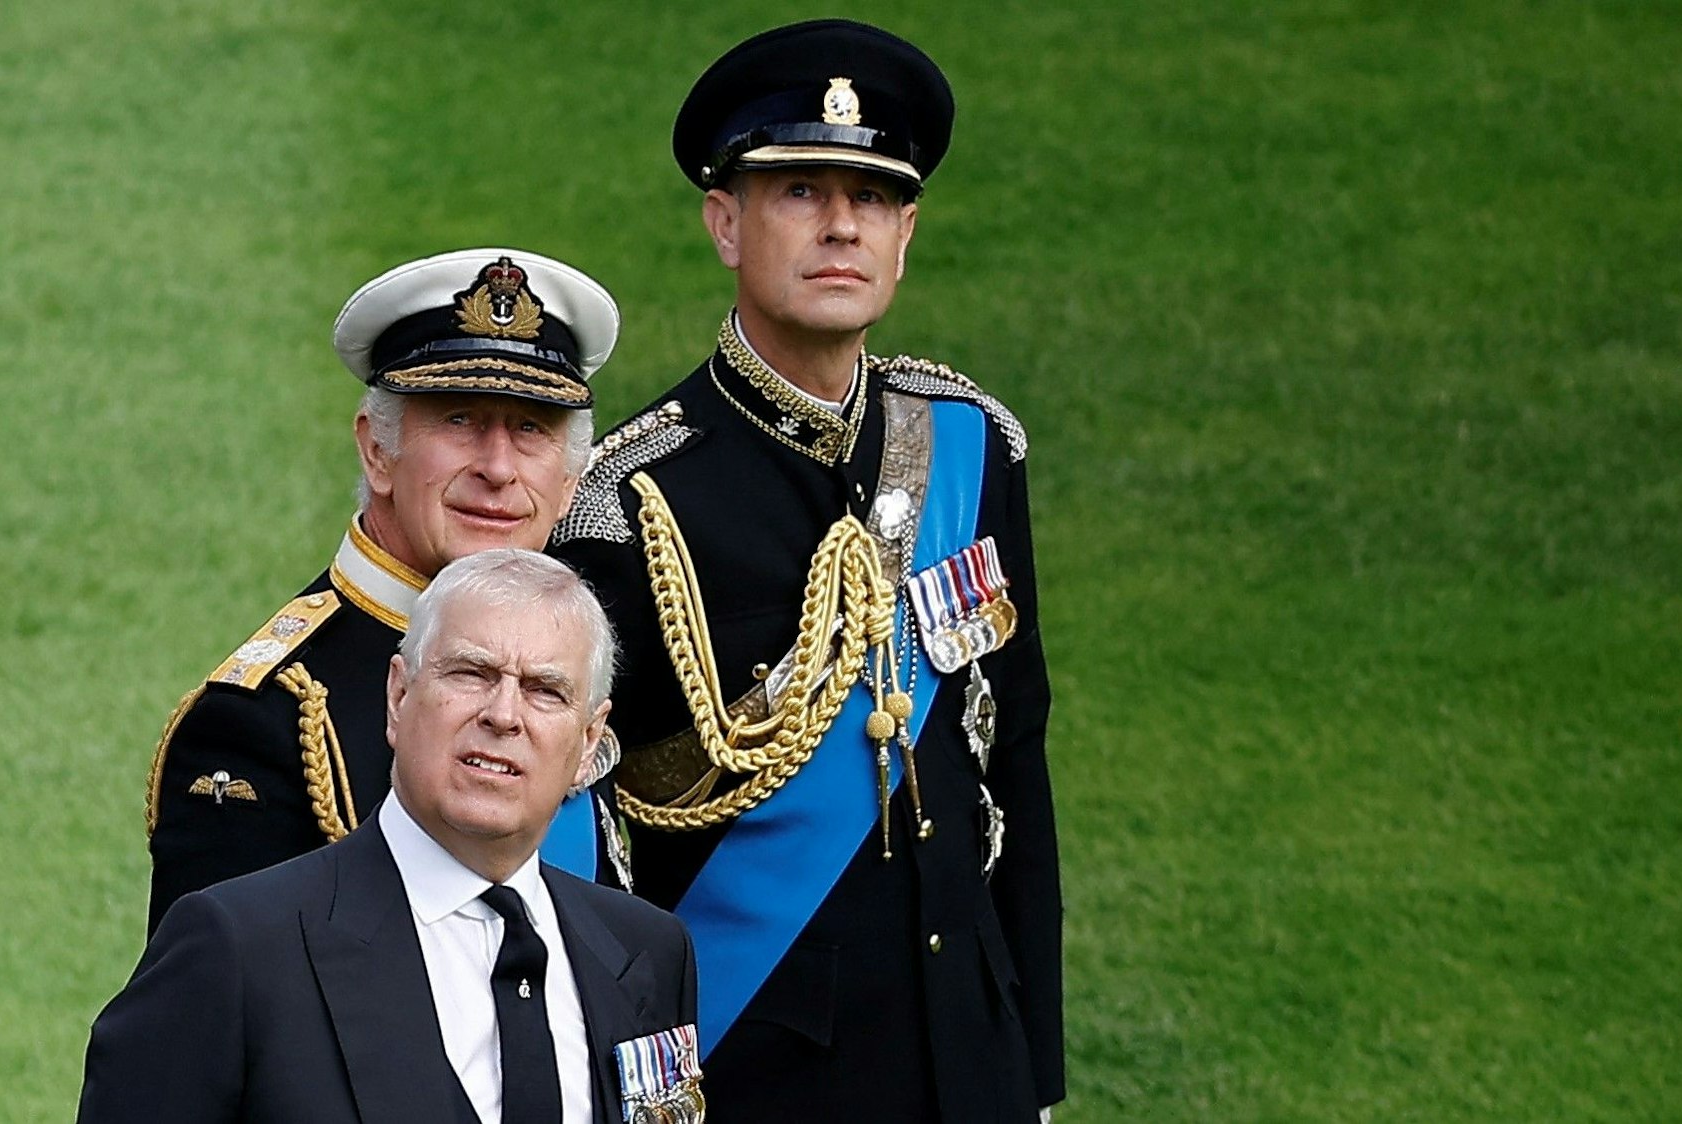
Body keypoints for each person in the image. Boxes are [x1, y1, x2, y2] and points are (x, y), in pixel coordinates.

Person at [550, 19, 1062, 1122]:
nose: (840, 225)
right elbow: (578, 834)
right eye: (799, 192)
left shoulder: (971, 447)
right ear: (724, 221)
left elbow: (1012, 751)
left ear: (907, 230)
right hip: (757, 1064)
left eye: (871, 197)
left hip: (966, 1056)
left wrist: (1034, 1068)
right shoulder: (627, 499)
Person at [81, 550, 704, 1124]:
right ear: (399, 697)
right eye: (471, 673)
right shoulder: (237, 950)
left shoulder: (647, 950)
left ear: (589, 742)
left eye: (544, 691)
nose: (503, 715)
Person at [144, 248, 633, 935]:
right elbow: (213, 1023)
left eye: (530, 430)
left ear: (570, 477)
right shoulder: (264, 719)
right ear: (377, 451)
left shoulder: (572, 667)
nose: (497, 468)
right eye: (459, 420)